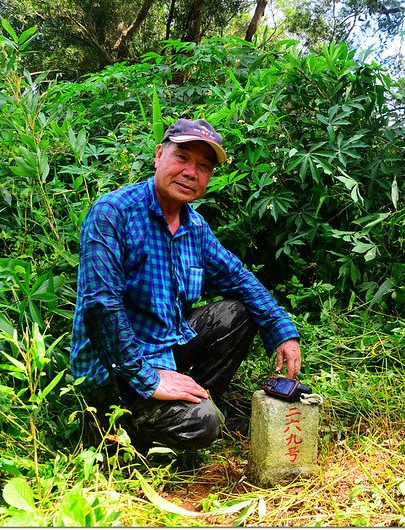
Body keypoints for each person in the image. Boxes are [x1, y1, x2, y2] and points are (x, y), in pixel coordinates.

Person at [70, 118, 302, 452]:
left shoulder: (195, 227)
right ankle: (115, 428)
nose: (191, 172)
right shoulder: (113, 213)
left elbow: (239, 278)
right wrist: (147, 377)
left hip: (164, 348)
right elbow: (100, 305)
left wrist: (282, 330)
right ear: (159, 154)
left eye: (204, 166)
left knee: (237, 312)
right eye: (182, 158)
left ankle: (189, 400)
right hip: (113, 367)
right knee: (205, 424)